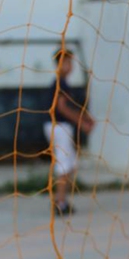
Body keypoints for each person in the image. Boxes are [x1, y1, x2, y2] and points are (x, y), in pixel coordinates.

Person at [44, 47, 95, 216]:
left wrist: (85, 116)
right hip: (59, 127)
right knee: (64, 165)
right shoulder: (60, 82)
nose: (71, 66)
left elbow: (71, 105)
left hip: (61, 127)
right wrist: (81, 123)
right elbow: (62, 108)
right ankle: (60, 203)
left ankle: (61, 199)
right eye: (68, 62)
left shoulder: (64, 83)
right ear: (60, 64)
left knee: (71, 164)